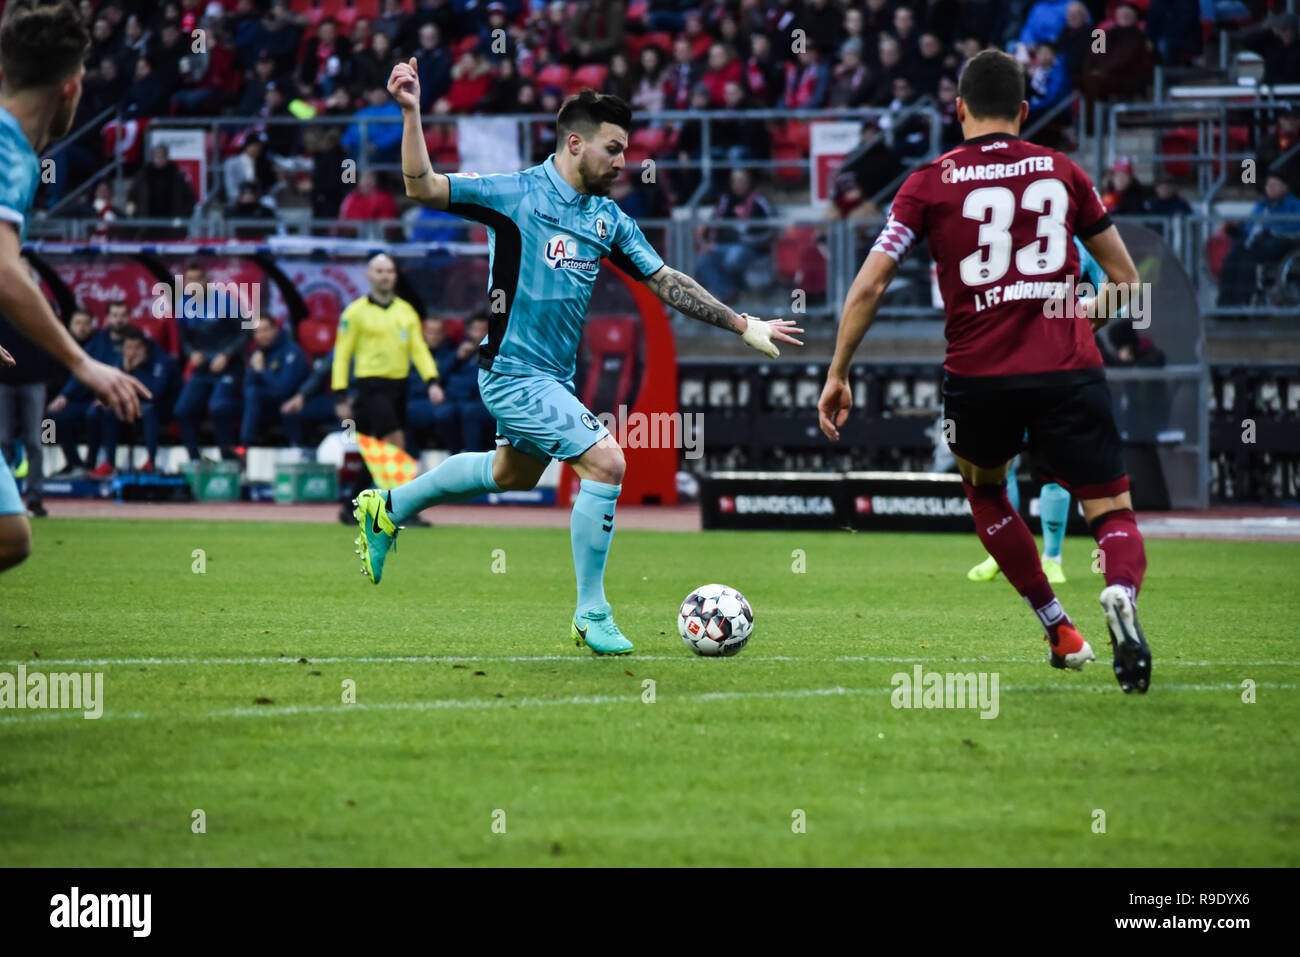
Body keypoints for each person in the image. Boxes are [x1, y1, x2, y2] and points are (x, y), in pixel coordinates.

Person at [359, 73, 802, 654]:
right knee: (608, 462)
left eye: (625, 150)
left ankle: (388, 508)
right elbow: (422, 187)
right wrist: (412, 112)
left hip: (554, 380)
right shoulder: (514, 193)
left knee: (510, 474)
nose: (623, 162)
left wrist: (743, 324)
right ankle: (591, 611)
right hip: (512, 373)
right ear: (575, 144)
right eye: (613, 149)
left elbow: (666, 280)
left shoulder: (607, 219)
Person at [818, 49, 1152, 693]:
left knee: (988, 491)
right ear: (1025, 112)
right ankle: (1117, 591)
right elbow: (1127, 283)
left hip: (977, 377)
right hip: (1068, 370)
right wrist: (1079, 321)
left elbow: (870, 285)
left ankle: (1058, 627)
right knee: (1111, 511)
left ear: (958, 109)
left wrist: (839, 370)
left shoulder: (927, 182)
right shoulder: (1065, 172)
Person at [0, 0, 148, 573]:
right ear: (71, 88)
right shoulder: (11, 153)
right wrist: (82, 362)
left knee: (12, 535)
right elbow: (4, 268)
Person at [332, 253, 442, 522]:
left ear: (395, 276)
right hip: (371, 386)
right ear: (369, 276)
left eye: (389, 271)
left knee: (377, 451)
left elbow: (418, 349)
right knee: (396, 444)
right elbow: (342, 353)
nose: (384, 276)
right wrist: (339, 392)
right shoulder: (355, 312)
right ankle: (403, 509)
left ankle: (350, 507)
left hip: (399, 386)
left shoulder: (406, 311)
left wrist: (432, 380)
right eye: (379, 271)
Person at [174, 261, 250, 464]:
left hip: (228, 366)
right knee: (182, 410)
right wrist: (191, 353)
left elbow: (245, 332)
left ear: (206, 281)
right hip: (203, 369)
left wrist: (227, 354)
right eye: (189, 280)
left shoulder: (225, 301)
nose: (193, 284)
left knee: (218, 406)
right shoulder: (183, 306)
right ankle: (195, 461)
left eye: (198, 279)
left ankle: (228, 458)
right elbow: (184, 340)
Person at [89, 325, 178, 472]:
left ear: (145, 348)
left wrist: (136, 370)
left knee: (148, 410)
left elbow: (153, 394)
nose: (132, 352)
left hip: (163, 408)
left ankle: (151, 460)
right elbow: (113, 387)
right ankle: (109, 463)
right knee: (107, 410)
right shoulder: (122, 360)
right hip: (135, 406)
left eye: (136, 348)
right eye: (128, 348)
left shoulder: (161, 361)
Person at [239, 316, 306, 449]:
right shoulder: (257, 354)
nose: (262, 335)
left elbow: (284, 389)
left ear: (275, 329)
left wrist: (262, 370)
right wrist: (253, 370)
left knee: (255, 394)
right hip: (266, 406)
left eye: (265, 330)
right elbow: (247, 388)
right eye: (257, 332)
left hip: (293, 402)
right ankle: (242, 446)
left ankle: (245, 445)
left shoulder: (291, 350)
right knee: (227, 403)